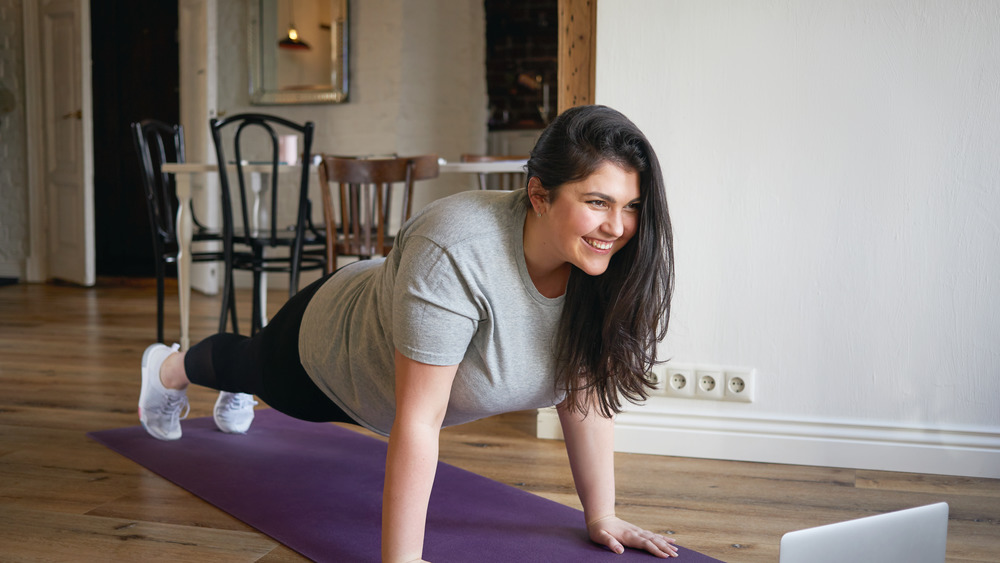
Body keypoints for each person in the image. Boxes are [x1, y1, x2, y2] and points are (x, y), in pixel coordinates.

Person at [137, 104, 677, 561]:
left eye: (630, 207)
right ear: (539, 196)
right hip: (332, 348)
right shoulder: (459, 250)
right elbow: (419, 421)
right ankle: (169, 367)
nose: (618, 227)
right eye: (597, 202)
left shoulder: (599, 268)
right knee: (247, 365)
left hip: (399, 297)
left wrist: (601, 513)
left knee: (248, 370)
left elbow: (584, 397)